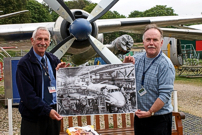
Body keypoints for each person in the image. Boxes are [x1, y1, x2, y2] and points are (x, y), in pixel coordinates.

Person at [16, 27, 70, 135]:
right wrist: (47, 111)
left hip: (53, 115)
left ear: (49, 42)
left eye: (46, 40)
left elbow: (64, 86)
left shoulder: (53, 60)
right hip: (33, 118)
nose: (43, 43)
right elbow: (28, 96)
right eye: (39, 39)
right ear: (32, 41)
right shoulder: (24, 64)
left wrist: (63, 74)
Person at [123, 24, 175, 135]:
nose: (151, 43)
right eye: (148, 39)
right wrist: (125, 67)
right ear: (143, 42)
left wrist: (150, 112)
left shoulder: (166, 65)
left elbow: (165, 95)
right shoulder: (136, 59)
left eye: (155, 40)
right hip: (140, 116)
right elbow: (124, 82)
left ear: (161, 43)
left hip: (159, 118)